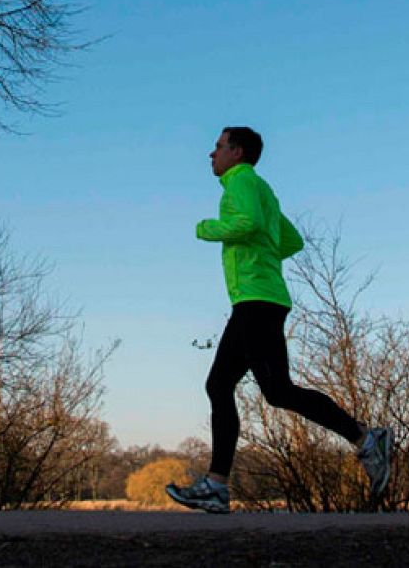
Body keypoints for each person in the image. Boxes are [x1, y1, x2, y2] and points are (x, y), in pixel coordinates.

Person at [166, 126, 391, 515]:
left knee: (223, 385)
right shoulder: (262, 188)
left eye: (218, 147)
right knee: (273, 391)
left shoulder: (239, 182)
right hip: (264, 298)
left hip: (255, 301)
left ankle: (217, 485)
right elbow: (290, 241)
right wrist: (262, 260)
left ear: (237, 152)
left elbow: (249, 224)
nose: (211, 154)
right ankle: (364, 439)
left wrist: (206, 229)